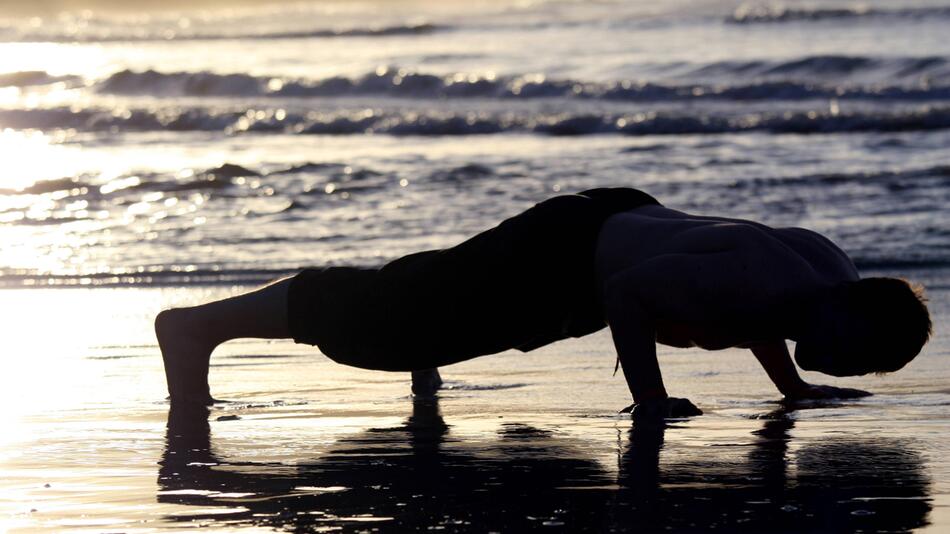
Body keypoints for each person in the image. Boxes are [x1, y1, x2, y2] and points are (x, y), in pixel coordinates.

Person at [155, 188, 932, 417]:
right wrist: (651, 399)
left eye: (859, 366)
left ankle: (426, 352)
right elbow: (634, 295)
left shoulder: (823, 274)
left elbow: (762, 309)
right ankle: (196, 329)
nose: (840, 361)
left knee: (431, 300)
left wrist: (792, 386)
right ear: (853, 308)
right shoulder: (774, 284)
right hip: (570, 255)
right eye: (852, 348)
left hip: (607, 226)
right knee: (385, 327)